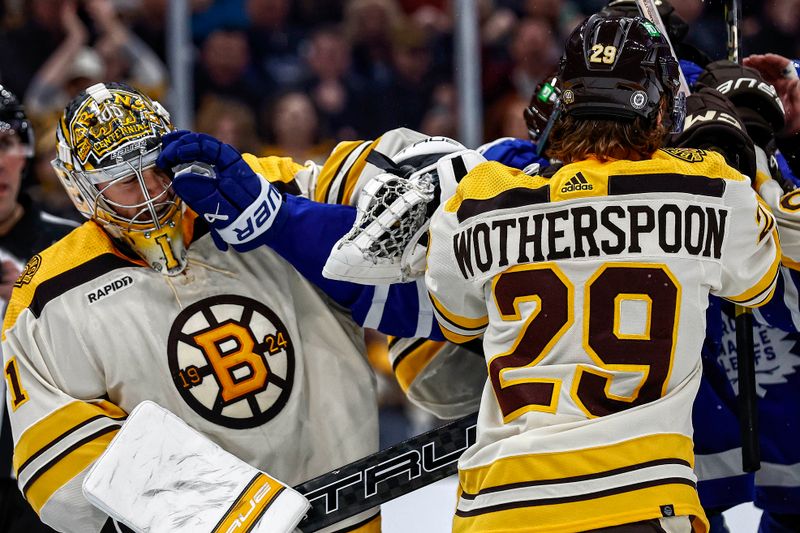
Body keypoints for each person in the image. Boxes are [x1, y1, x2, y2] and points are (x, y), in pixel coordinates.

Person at [0, 81, 437, 532]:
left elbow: (412, 199)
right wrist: (218, 511)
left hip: (349, 517)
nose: (153, 191)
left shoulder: (256, 187)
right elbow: (54, 458)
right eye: (127, 181)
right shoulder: (48, 296)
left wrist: (281, 217)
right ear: (80, 189)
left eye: (156, 167)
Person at [423, 15, 780, 532]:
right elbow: (758, 282)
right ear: (662, 106)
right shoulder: (708, 187)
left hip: (502, 504)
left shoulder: (480, 199)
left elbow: (458, 320)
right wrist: (739, 139)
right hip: (641, 499)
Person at [0, 84, 76, 533]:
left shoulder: (71, 246)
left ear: (25, 153)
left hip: (46, 469)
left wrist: (31, 299)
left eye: (5, 143)